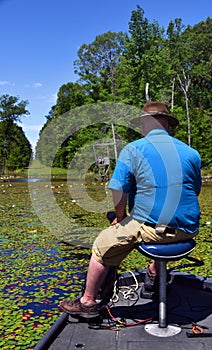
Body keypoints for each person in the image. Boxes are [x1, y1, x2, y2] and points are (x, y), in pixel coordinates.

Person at [59, 101, 201, 318]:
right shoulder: (192, 153)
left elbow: (118, 189)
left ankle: (87, 302)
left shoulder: (133, 149)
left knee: (101, 244)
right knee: (161, 224)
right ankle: (154, 272)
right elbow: (194, 191)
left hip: (154, 230)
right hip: (188, 229)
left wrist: (120, 217)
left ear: (144, 125)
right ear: (168, 125)